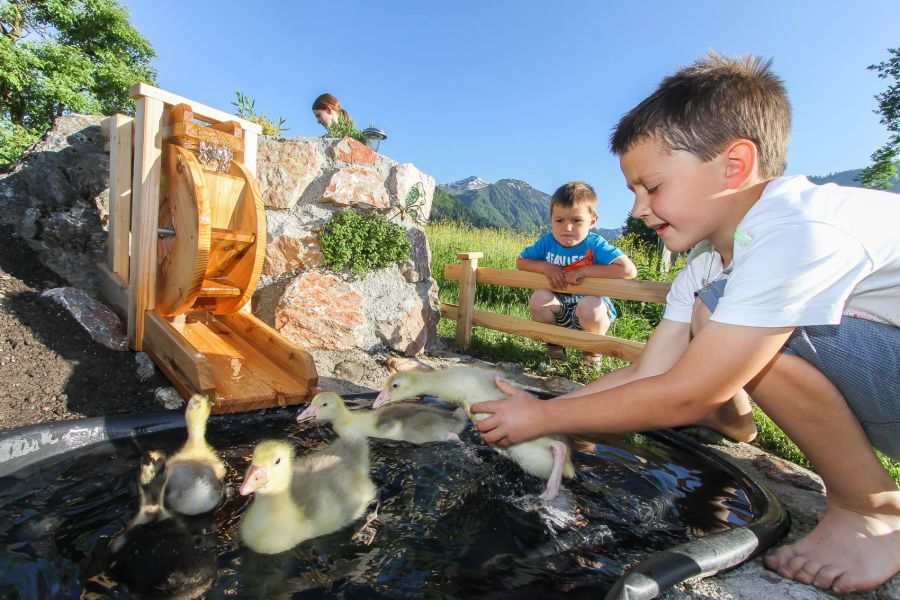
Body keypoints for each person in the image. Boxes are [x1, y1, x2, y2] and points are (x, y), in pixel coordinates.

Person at [472, 52, 900, 595]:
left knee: (726, 314)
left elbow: (688, 393)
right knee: (718, 306)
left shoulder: (799, 231)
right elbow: (652, 372)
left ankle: (872, 510)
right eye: (633, 192)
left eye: (651, 187)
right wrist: (553, 416)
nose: (639, 209)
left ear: (734, 166)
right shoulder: (702, 267)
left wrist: (543, 417)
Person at [517, 181, 636, 366]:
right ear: (551, 219)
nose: (567, 228)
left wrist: (583, 270)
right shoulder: (547, 242)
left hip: (590, 313)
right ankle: (555, 349)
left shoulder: (594, 244)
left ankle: (592, 353)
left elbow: (628, 270)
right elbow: (521, 262)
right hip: (560, 308)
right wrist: (546, 268)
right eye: (560, 221)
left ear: (593, 221)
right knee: (538, 299)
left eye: (576, 220)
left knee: (591, 307)